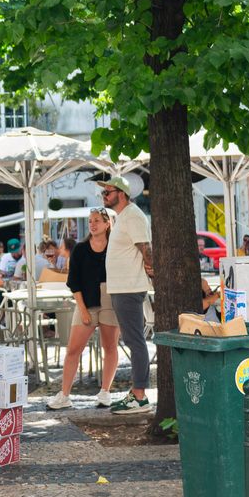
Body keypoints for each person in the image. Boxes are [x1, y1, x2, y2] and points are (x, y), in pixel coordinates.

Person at [47, 207, 120, 410]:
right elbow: (73, 282)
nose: (92, 224)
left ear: (107, 224)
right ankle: (64, 394)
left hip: (110, 299)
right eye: (90, 220)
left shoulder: (115, 247)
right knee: (73, 349)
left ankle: (105, 392)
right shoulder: (79, 249)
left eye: (97, 220)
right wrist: (84, 310)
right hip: (85, 300)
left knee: (110, 347)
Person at [97, 175, 153, 414]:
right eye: (103, 193)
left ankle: (140, 396)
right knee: (132, 340)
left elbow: (146, 248)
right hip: (121, 287)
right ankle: (135, 391)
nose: (104, 196)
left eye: (107, 192)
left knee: (135, 340)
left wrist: (151, 270)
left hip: (130, 287)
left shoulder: (133, 216)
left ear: (121, 193)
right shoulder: (121, 217)